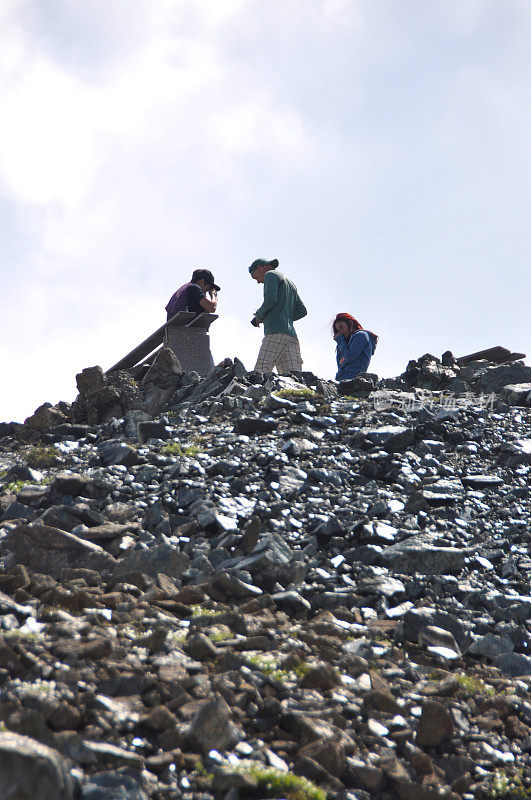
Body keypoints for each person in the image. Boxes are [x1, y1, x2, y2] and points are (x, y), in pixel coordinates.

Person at [249, 257, 307, 373]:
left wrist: (259, 317)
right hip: (291, 336)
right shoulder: (291, 284)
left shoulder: (270, 275)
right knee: (292, 376)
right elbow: (302, 311)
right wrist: (284, 316)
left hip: (275, 333)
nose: (258, 281)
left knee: (261, 370)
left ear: (260, 267)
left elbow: (270, 300)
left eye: (255, 276)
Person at [332, 313, 378, 380]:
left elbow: (349, 357)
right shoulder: (345, 344)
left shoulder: (361, 335)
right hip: (343, 380)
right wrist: (340, 346)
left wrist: (341, 342)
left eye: (341, 327)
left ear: (350, 324)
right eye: (338, 330)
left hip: (354, 379)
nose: (340, 332)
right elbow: (340, 366)